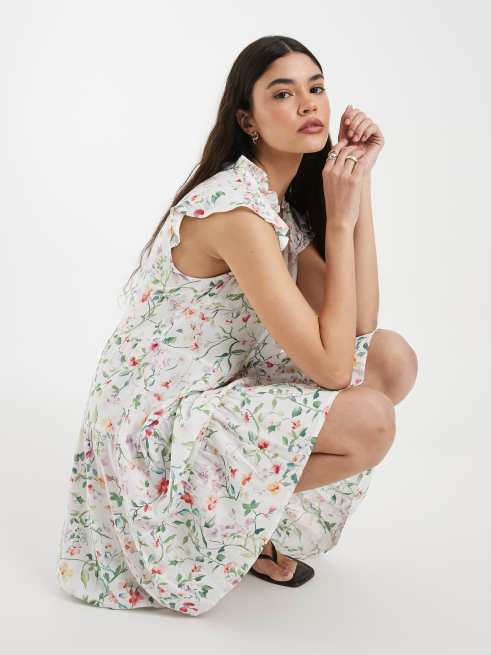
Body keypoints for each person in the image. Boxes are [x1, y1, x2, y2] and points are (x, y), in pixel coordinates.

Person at [56, 35, 397, 617]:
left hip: (216, 391)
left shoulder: (278, 203)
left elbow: (361, 324)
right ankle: (220, 526)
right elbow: (334, 369)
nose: (308, 104)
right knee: (368, 418)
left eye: (316, 88)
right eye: (283, 94)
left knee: (390, 358)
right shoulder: (236, 211)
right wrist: (339, 225)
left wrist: (358, 186)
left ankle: (238, 523)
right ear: (248, 120)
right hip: (157, 426)